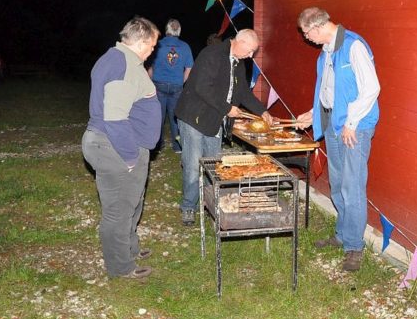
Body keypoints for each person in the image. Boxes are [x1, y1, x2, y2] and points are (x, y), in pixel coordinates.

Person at [295, 7, 380, 272]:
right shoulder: (326, 53)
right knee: (339, 184)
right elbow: (328, 92)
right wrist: (312, 115)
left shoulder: (354, 46)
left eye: (308, 34)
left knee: (352, 187)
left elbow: (371, 89)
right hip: (333, 125)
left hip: (355, 129)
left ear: (319, 27)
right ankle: (343, 234)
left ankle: (354, 246)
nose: (307, 38)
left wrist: (351, 123)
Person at [81, 17, 162, 279]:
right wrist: (129, 156)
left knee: (131, 202)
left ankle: (129, 249)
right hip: (116, 146)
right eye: (152, 45)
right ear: (140, 42)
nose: (153, 51)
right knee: (118, 209)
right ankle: (121, 267)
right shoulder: (123, 63)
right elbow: (114, 117)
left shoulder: (116, 58)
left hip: (118, 143)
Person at [175, 29, 274, 226]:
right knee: (194, 165)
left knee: (215, 165)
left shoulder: (239, 61)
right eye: (251, 50)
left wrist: (262, 111)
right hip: (193, 116)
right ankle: (188, 207)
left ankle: (212, 204)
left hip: (215, 118)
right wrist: (227, 108)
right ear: (240, 42)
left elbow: (244, 92)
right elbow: (202, 87)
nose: (251, 55)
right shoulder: (212, 54)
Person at [147, 19, 193, 153]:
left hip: (158, 85)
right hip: (176, 86)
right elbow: (189, 69)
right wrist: (180, 81)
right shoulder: (185, 47)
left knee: (158, 117)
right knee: (175, 117)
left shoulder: (158, 45)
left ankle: (156, 146)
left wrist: (153, 81)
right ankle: (177, 146)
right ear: (179, 31)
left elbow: (149, 67)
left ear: (167, 30)